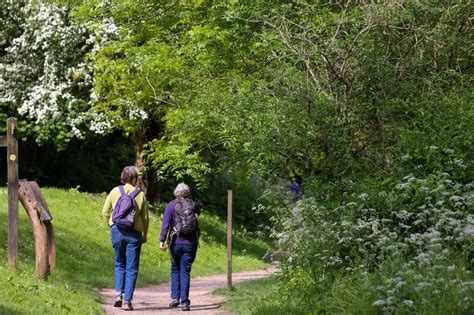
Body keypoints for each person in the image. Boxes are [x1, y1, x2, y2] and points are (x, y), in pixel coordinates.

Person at [102, 166, 149, 311]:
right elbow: (145, 218)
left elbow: (105, 212)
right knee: (132, 267)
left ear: (123, 177)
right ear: (134, 179)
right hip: (134, 233)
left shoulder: (115, 191)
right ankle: (128, 301)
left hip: (117, 230)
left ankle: (118, 295)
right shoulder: (140, 195)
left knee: (119, 264)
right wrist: (145, 234)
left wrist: (109, 226)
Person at [159, 183, 200, 312]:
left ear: (176, 192)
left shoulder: (171, 206)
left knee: (175, 269)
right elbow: (197, 217)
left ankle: (175, 298)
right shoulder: (194, 205)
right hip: (190, 243)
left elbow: (166, 224)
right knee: (185, 271)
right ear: (188, 193)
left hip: (175, 242)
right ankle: (185, 302)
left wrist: (162, 240)